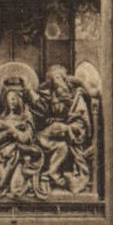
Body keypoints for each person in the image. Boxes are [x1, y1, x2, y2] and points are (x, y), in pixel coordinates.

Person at [35, 65, 93, 193]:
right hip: (63, 127)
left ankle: (56, 173)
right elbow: (41, 95)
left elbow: (81, 115)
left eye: (58, 77)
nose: (56, 81)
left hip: (76, 126)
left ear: (64, 78)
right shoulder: (53, 95)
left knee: (54, 134)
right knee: (56, 141)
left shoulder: (75, 95)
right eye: (53, 79)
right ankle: (52, 172)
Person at [0, 83, 44, 198]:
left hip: (20, 156)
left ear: (20, 99)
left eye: (14, 98)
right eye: (9, 99)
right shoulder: (3, 118)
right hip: (1, 157)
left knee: (16, 189)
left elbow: (26, 138)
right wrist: (0, 136)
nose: (11, 101)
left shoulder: (26, 117)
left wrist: (10, 130)